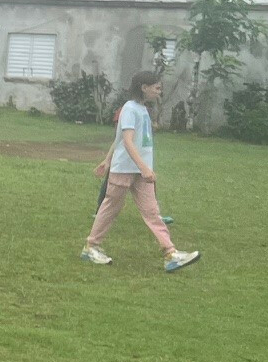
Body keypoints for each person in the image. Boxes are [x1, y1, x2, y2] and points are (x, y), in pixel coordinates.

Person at [83, 71, 202, 272]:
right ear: (143, 87)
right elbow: (127, 140)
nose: (159, 91)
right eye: (156, 87)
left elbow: (120, 139)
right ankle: (91, 247)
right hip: (125, 170)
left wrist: (107, 159)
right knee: (111, 208)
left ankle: (170, 254)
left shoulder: (142, 109)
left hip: (139, 172)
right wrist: (142, 167)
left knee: (152, 212)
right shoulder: (130, 109)